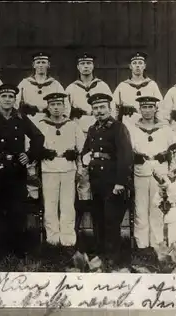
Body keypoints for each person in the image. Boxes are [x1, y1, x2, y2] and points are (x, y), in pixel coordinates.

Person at [0, 84, 45, 261]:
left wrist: (28, 155)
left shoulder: (21, 118)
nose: (7, 99)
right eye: (4, 96)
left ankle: (17, 249)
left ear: (15, 100)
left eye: (11, 96)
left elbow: (38, 137)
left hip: (15, 169)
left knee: (17, 209)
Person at [81, 93, 134, 269]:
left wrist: (121, 182)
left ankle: (113, 256)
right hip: (97, 181)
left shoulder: (118, 127)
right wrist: (84, 158)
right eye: (95, 108)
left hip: (113, 182)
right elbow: (85, 151)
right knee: (98, 218)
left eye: (102, 107)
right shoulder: (92, 129)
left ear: (109, 108)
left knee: (111, 220)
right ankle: (100, 252)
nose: (99, 111)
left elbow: (125, 156)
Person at [65, 53, 114, 232]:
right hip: (80, 130)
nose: (86, 66)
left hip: (98, 130)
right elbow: (65, 113)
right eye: (82, 63)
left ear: (93, 66)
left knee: (98, 174)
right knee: (82, 172)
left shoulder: (102, 86)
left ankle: (100, 227)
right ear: (78, 67)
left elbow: (112, 109)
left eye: (89, 63)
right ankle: (79, 228)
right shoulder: (71, 88)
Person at [127, 96, 176, 253]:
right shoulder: (132, 129)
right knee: (140, 209)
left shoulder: (166, 129)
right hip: (140, 171)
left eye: (150, 107)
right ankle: (142, 244)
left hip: (160, 172)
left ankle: (156, 244)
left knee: (156, 208)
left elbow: (174, 150)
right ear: (139, 110)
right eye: (144, 107)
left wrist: (171, 171)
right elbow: (128, 150)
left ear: (156, 109)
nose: (147, 110)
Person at [17, 52, 69, 201]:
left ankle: (48, 197)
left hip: (49, 124)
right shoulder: (24, 84)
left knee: (48, 155)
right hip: (30, 124)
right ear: (33, 65)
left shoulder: (55, 84)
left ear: (48, 65)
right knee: (31, 158)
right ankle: (32, 196)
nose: (41, 65)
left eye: (43, 62)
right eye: (38, 62)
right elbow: (15, 106)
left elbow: (66, 107)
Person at [37, 93, 85, 247]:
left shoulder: (72, 126)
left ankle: (68, 239)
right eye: (52, 105)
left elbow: (82, 150)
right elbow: (33, 147)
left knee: (67, 205)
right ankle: (52, 239)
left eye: (59, 104)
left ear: (65, 107)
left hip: (68, 169)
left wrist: (80, 168)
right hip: (48, 169)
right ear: (48, 107)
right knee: (50, 205)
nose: (56, 108)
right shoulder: (41, 125)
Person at [113, 52, 163, 126]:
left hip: (148, 125)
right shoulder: (122, 86)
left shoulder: (152, 85)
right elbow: (114, 107)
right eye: (134, 63)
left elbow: (160, 107)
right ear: (130, 66)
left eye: (140, 63)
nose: (137, 66)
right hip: (128, 123)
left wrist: (159, 124)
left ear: (144, 66)